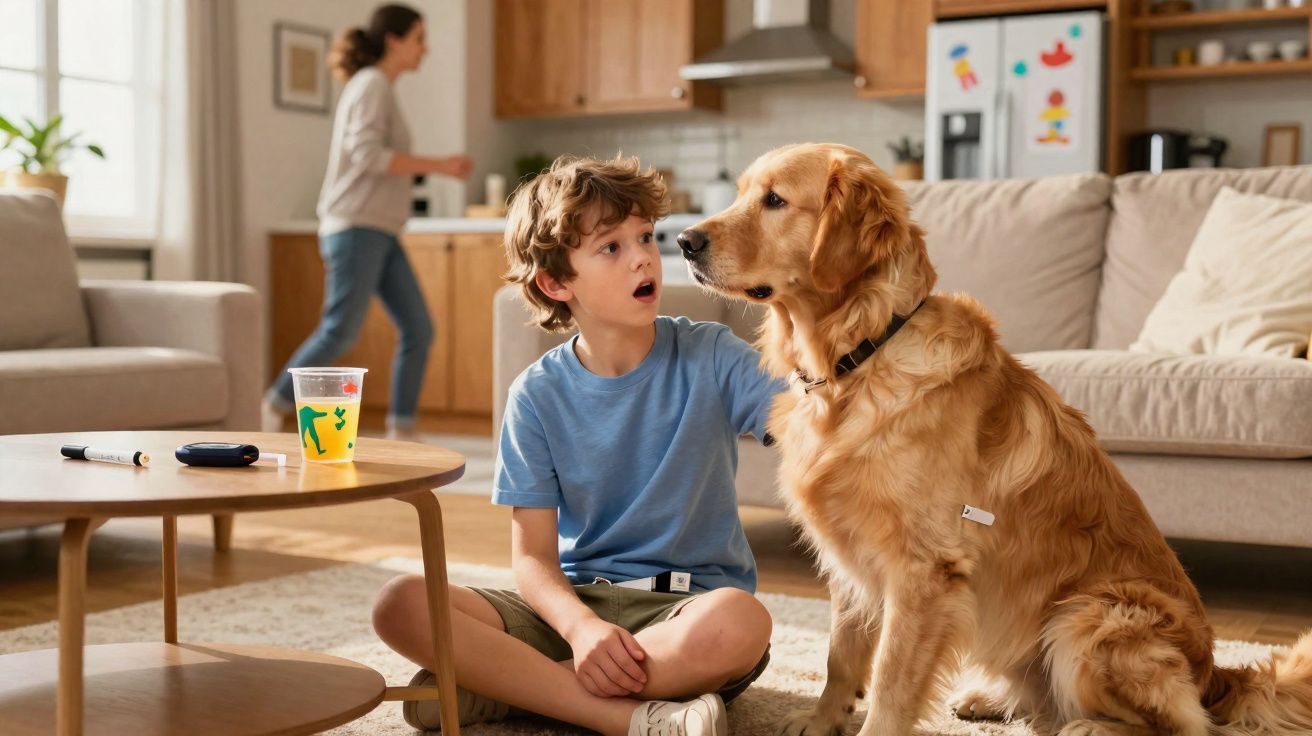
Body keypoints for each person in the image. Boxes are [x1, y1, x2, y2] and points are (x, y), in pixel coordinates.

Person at [371, 155, 785, 736]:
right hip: (574, 608)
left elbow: (806, 415)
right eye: (610, 248)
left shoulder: (712, 354)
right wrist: (582, 631)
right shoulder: (535, 397)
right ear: (556, 283)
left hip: (688, 609)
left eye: (644, 237)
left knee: (742, 622)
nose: (643, 256)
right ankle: (629, 718)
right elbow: (534, 559)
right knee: (400, 603)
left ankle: (514, 688)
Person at [265, 3, 474, 439]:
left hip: (379, 230)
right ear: (394, 40)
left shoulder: (379, 87)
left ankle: (403, 432)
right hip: (356, 227)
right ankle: (272, 405)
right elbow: (368, 156)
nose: (425, 48)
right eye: (419, 37)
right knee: (339, 332)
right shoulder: (372, 84)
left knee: (418, 328)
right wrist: (439, 164)